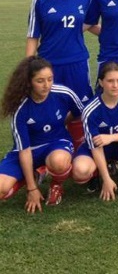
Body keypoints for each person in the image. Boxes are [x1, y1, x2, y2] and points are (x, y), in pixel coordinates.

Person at [26, 0, 95, 150]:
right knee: (49, 106)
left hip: (77, 63)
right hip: (49, 65)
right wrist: (28, 69)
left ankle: (79, 148)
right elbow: (33, 36)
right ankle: (51, 146)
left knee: (81, 107)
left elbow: (91, 25)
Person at [0, 57, 83, 213]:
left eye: (50, 79)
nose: (47, 85)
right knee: (2, 190)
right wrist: (32, 189)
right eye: (40, 81)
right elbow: (24, 150)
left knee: (59, 162)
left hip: (57, 143)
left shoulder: (64, 94)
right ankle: (32, 176)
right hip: (28, 150)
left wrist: (64, 125)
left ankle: (56, 185)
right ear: (29, 81)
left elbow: (79, 114)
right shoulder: (21, 109)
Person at [71, 62, 118, 201]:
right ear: (101, 82)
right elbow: (95, 146)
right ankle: (96, 176)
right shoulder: (91, 109)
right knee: (80, 171)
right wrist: (107, 179)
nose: (115, 85)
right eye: (110, 81)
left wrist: (111, 137)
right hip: (97, 148)